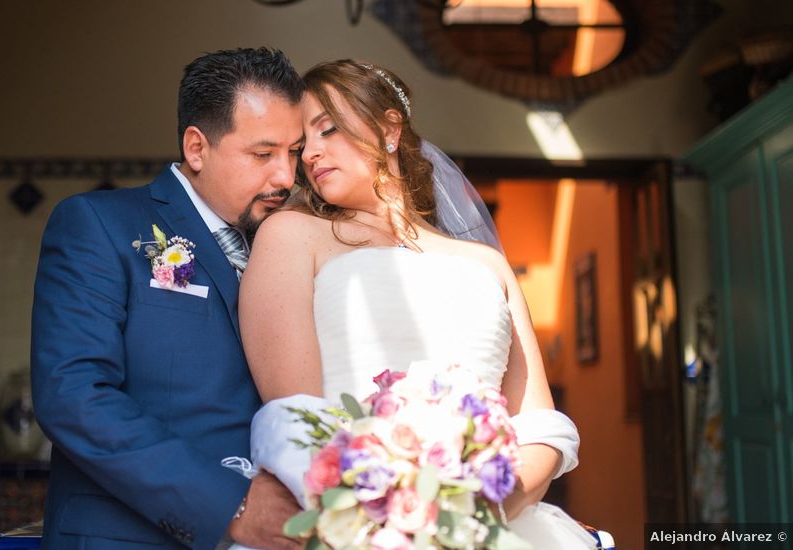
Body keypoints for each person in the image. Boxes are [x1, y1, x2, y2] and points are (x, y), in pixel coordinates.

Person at [238, 59, 601, 548]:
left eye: (327, 130)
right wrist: (392, 518)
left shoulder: (488, 264)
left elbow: (541, 428)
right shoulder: (291, 236)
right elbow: (296, 415)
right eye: (305, 145)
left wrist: (471, 517)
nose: (311, 155)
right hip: (353, 521)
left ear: (389, 129)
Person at [30, 48, 306, 550]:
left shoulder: (293, 245)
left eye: (295, 152)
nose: (286, 177)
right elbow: (72, 394)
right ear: (197, 148)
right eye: (263, 154)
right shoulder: (99, 224)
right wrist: (231, 505)